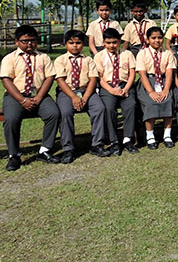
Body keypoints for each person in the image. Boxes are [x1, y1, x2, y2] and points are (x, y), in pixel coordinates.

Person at [1, 25, 60, 171]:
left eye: (33, 40)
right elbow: (6, 80)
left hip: (39, 95)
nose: (29, 44)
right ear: (17, 42)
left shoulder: (43, 57)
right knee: (11, 119)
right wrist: (22, 100)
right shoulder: (10, 58)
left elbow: (49, 77)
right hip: (15, 96)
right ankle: (14, 155)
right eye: (25, 41)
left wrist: (39, 97)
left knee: (53, 113)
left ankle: (45, 150)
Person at [54, 30, 109, 163]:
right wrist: (74, 97)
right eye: (71, 43)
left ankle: (97, 144)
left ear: (83, 44)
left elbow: (93, 79)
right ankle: (68, 148)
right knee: (65, 112)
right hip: (67, 92)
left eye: (78, 43)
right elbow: (60, 81)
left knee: (99, 108)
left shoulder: (88, 60)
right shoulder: (60, 60)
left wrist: (85, 97)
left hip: (86, 91)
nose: (75, 46)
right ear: (65, 44)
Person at [95, 28, 138, 156]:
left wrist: (126, 88)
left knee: (131, 106)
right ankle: (113, 141)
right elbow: (99, 78)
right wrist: (111, 90)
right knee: (109, 108)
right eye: (108, 43)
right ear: (103, 43)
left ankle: (127, 139)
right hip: (108, 87)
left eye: (114, 42)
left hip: (125, 85)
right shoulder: (99, 56)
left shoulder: (127, 54)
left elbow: (132, 74)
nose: (112, 45)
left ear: (119, 41)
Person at [136, 27, 177, 150]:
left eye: (159, 38)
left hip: (164, 82)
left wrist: (166, 90)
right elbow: (142, 74)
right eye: (153, 38)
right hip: (148, 82)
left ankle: (167, 135)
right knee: (150, 103)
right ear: (147, 40)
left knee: (168, 100)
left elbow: (169, 73)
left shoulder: (167, 53)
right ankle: (150, 136)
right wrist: (151, 92)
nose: (157, 40)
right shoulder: (142, 53)